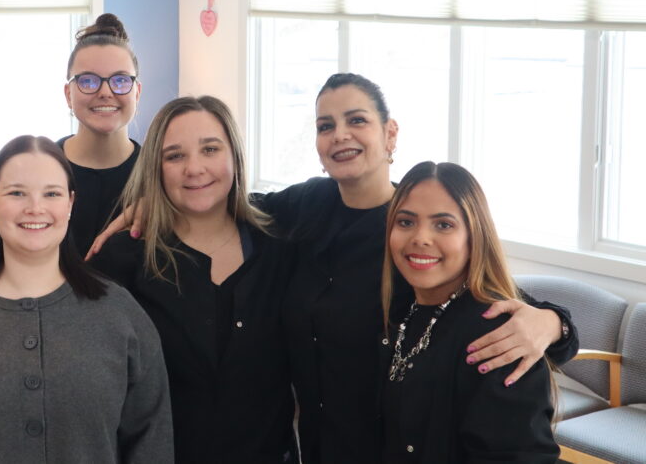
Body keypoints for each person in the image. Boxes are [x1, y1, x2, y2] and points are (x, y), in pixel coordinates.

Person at [90, 73, 576, 463]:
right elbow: (219, 200)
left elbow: (485, 290)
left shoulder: (412, 229)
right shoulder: (297, 212)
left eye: (356, 120)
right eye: (326, 125)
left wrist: (554, 322)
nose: (340, 135)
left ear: (390, 133)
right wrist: (147, 207)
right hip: (313, 447)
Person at [0, 135, 173, 464]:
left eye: (51, 193)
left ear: (70, 203)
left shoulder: (120, 315)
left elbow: (151, 440)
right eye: (16, 193)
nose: (35, 207)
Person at [92, 96, 296, 464]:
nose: (194, 168)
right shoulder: (123, 259)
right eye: (175, 156)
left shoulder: (279, 243)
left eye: (210, 149)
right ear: (156, 167)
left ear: (234, 154)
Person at [380, 161, 558, 462]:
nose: (420, 238)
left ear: (474, 236)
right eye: (406, 222)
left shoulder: (499, 334)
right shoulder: (400, 307)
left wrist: (556, 323)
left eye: (444, 224)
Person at [59, 13, 142, 255]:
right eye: (88, 81)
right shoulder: (43, 168)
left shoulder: (160, 176)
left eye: (120, 80)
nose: (106, 92)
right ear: (68, 94)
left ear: (136, 92)